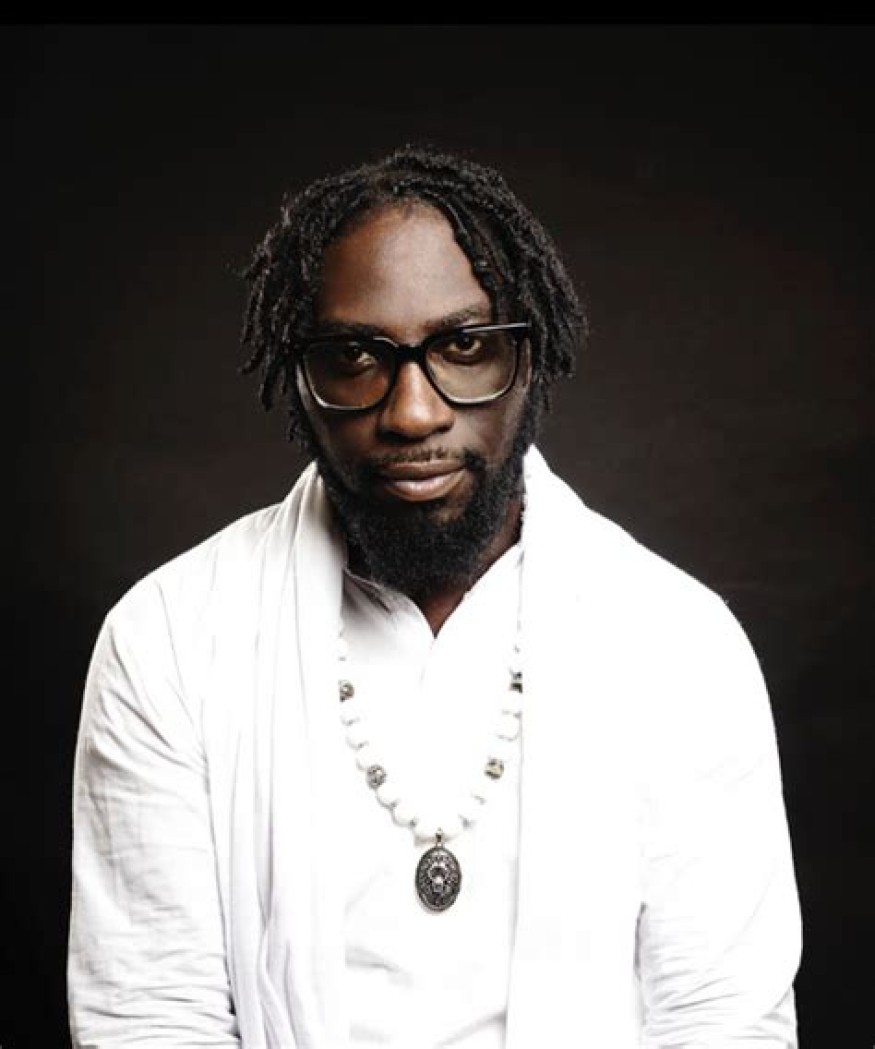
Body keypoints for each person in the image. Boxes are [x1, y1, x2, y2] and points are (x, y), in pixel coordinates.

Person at [68, 144, 802, 1047]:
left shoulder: (679, 643)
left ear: (530, 359)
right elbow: (147, 1017)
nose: (412, 411)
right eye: (355, 355)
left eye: (463, 347)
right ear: (299, 378)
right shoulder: (170, 639)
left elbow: (722, 1020)